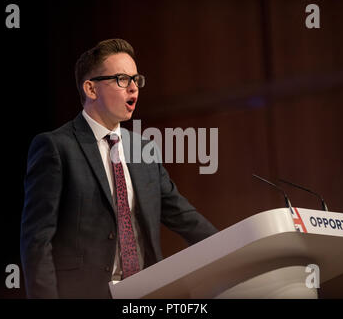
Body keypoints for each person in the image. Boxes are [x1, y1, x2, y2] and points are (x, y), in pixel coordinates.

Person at [20, 38, 218, 298]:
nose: (134, 88)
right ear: (91, 89)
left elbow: (184, 216)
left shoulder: (143, 149)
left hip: (147, 293)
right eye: (122, 79)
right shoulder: (56, 147)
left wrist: (237, 247)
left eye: (137, 80)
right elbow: (36, 242)